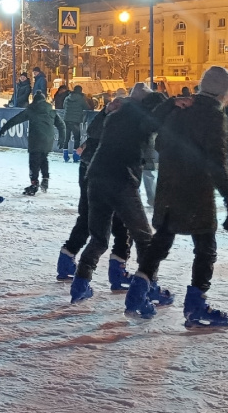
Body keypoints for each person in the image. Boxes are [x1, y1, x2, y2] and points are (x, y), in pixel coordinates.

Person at [129, 66, 228, 327]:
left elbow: (156, 140)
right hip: (195, 189)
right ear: (224, 92)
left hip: (168, 185)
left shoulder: (180, 107)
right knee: (205, 247)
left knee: (161, 241)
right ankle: (196, 306)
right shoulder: (213, 115)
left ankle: (137, 292)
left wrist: (168, 106)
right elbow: (217, 160)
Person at [68, 86, 174, 305]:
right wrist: (171, 106)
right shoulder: (140, 119)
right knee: (145, 238)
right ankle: (148, 287)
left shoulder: (118, 115)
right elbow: (152, 125)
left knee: (99, 238)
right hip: (120, 180)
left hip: (96, 177)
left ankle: (80, 283)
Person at [56, 97, 135, 290]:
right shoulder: (118, 127)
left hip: (90, 172)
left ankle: (67, 257)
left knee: (88, 218)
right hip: (107, 177)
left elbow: (92, 133)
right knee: (121, 223)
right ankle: (118, 270)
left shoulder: (98, 129)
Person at [0, 91, 65, 196]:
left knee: (34, 161)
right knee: (43, 158)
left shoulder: (31, 110)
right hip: (48, 140)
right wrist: (62, 138)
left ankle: (34, 183)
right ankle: (45, 178)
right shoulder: (51, 111)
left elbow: (16, 120)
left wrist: (3, 129)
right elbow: (61, 125)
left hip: (36, 139)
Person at [61, 85, 89, 162]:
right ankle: (75, 156)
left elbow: (64, 106)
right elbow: (87, 107)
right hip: (75, 121)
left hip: (66, 120)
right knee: (77, 138)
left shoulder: (67, 97)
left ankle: (65, 155)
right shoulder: (81, 99)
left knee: (66, 138)